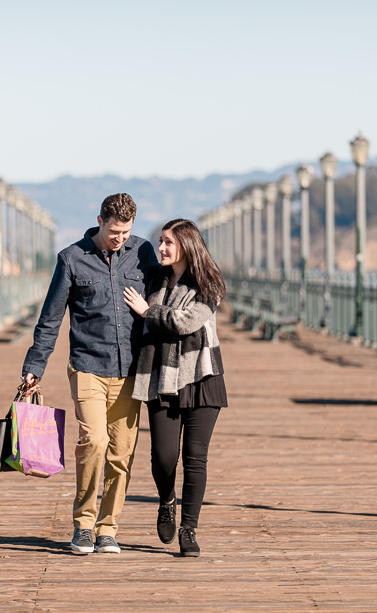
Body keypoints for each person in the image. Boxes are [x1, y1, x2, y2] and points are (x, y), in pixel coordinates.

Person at [21, 193, 160, 555]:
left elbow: (166, 297)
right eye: (114, 231)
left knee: (121, 453)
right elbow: (50, 319)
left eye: (126, 232)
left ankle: (108, 528)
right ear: (99, 220)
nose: (120, 239)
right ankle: (83, 524)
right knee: (94, 442)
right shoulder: (71, 258)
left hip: (130, 369)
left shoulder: (143, 252)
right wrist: (34, 368)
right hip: (87, 366)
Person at [123, 218, 228, 557]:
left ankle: (189, 528)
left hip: (200, 376)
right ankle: (167, 500)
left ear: (187, 245)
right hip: (160, 376)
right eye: (160, 241)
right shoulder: (154, 278)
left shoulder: (209, 284)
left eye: (168, 242)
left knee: (195, 458)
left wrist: (146, 310)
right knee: (163, 457)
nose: (162, 248)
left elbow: (184, 323)